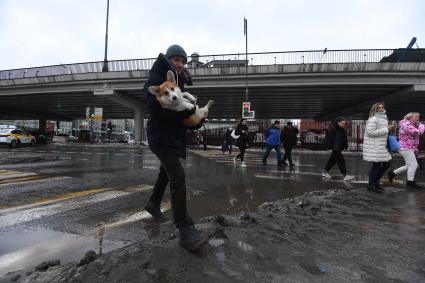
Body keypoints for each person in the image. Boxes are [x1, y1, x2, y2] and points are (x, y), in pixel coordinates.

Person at [143, 44, 208, 252]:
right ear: (169, 60)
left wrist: (196, 120)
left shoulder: (180, 81)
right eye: (176, 59)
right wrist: (184, 115)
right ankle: (185, 230)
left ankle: (153, 203)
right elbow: (158, 113)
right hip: (160, 137)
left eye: (183, 61)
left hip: (172, 137)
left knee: (166, 172)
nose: (180, 64)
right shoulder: (156, 80)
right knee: (177, 177)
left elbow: (183, 113)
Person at [387, 112, 425, 188]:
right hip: (405, 147)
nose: (418, 118)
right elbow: (417, 132)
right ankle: (410, 182)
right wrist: (422, 125)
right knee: (414, 165)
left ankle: (393, 173)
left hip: (409, 147)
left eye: (418, 116)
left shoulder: (412, 124)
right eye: (416, 116)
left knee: (409, 165)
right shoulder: (406, 125)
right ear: (409, 117)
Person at [363, 102, 393, 193]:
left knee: (386, 164)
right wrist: (386, 129)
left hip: (380, 146)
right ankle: (372, 185)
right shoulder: (373, 119)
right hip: (374, 146)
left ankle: (375, 183)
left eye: (382, 107)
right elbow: (370, 132)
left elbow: (381, 132)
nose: (381, 109)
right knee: (376, 165)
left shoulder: (383, 118)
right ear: (375, 109)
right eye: (379, 108)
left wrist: (388, 130)